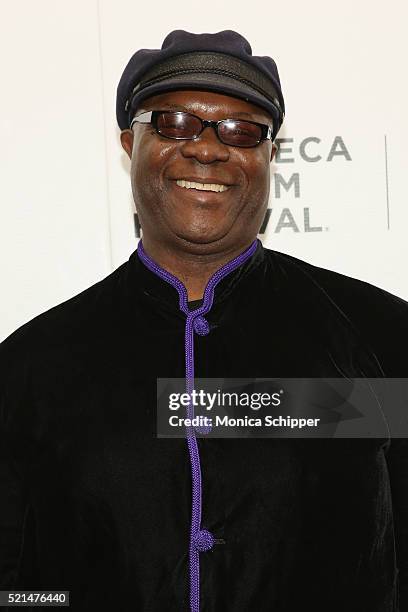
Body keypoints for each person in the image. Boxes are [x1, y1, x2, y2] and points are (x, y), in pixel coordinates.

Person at [0, 29, 407, 612]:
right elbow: (15, 583)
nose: (208, 148)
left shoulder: (382, 337)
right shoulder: (30, 366)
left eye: (242, 131)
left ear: (269, 157)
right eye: (174, 123)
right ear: (129, 144)